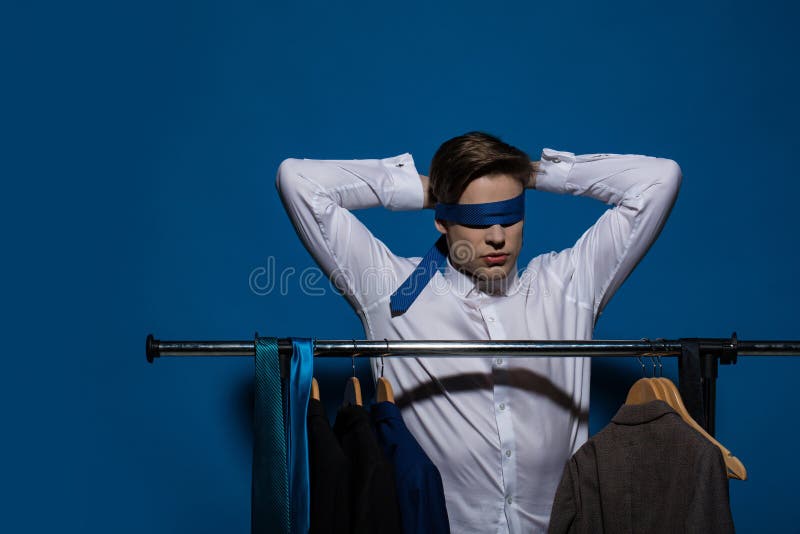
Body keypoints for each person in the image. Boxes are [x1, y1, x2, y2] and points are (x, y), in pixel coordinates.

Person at [275, 131, 682, 533]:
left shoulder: (569, 286)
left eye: (510, 214)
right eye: (478, 219)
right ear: (442, 220)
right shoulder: (392, 292)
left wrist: (534, 175)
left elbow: (659, 179)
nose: (497, 236)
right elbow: (298, 181)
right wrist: (428, 190)